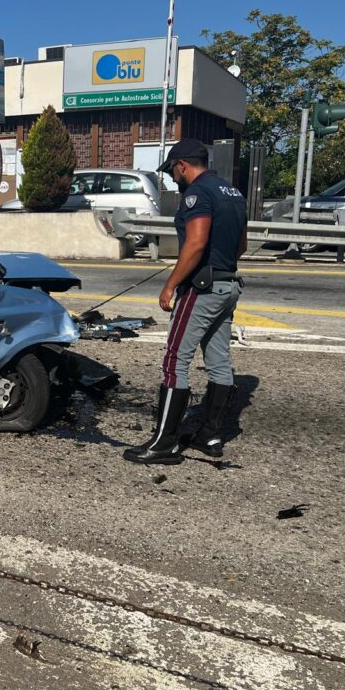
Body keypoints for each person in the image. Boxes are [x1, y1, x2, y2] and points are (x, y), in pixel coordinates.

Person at [124, 139, 248, 464]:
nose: (172, 179)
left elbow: (195, 243)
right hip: (228, 284)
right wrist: (220, 265)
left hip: (201, 289)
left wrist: (170, 286)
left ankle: (164, 443)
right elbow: (242, 244)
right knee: (219, 361)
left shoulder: (197, 194)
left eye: (172, 172)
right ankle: (211, 434)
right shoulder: (231, 192)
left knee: (175, 360)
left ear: (182, 165)